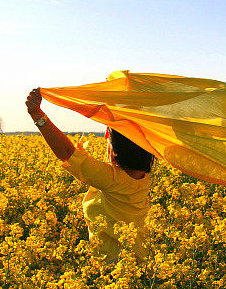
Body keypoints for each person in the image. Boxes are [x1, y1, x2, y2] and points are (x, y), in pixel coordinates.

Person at [25, 88, 154, 264]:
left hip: (114, 264)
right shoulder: (142, 177)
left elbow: (66, 153)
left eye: (109, 140)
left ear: (118, 149)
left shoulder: (112, 179)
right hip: (138, 259)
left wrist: (37, 114)